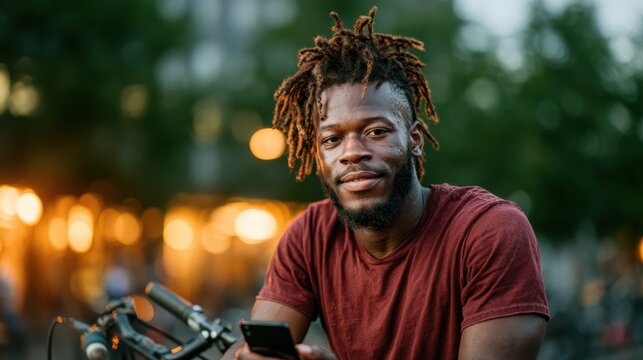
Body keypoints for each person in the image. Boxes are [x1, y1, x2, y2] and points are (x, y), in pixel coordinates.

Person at [226, 6, 549, 360]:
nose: (352, 153)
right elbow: (255, 353)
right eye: (332, 140)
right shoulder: (309, 238)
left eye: (375, 132)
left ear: (415, 139)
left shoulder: (489, 231)